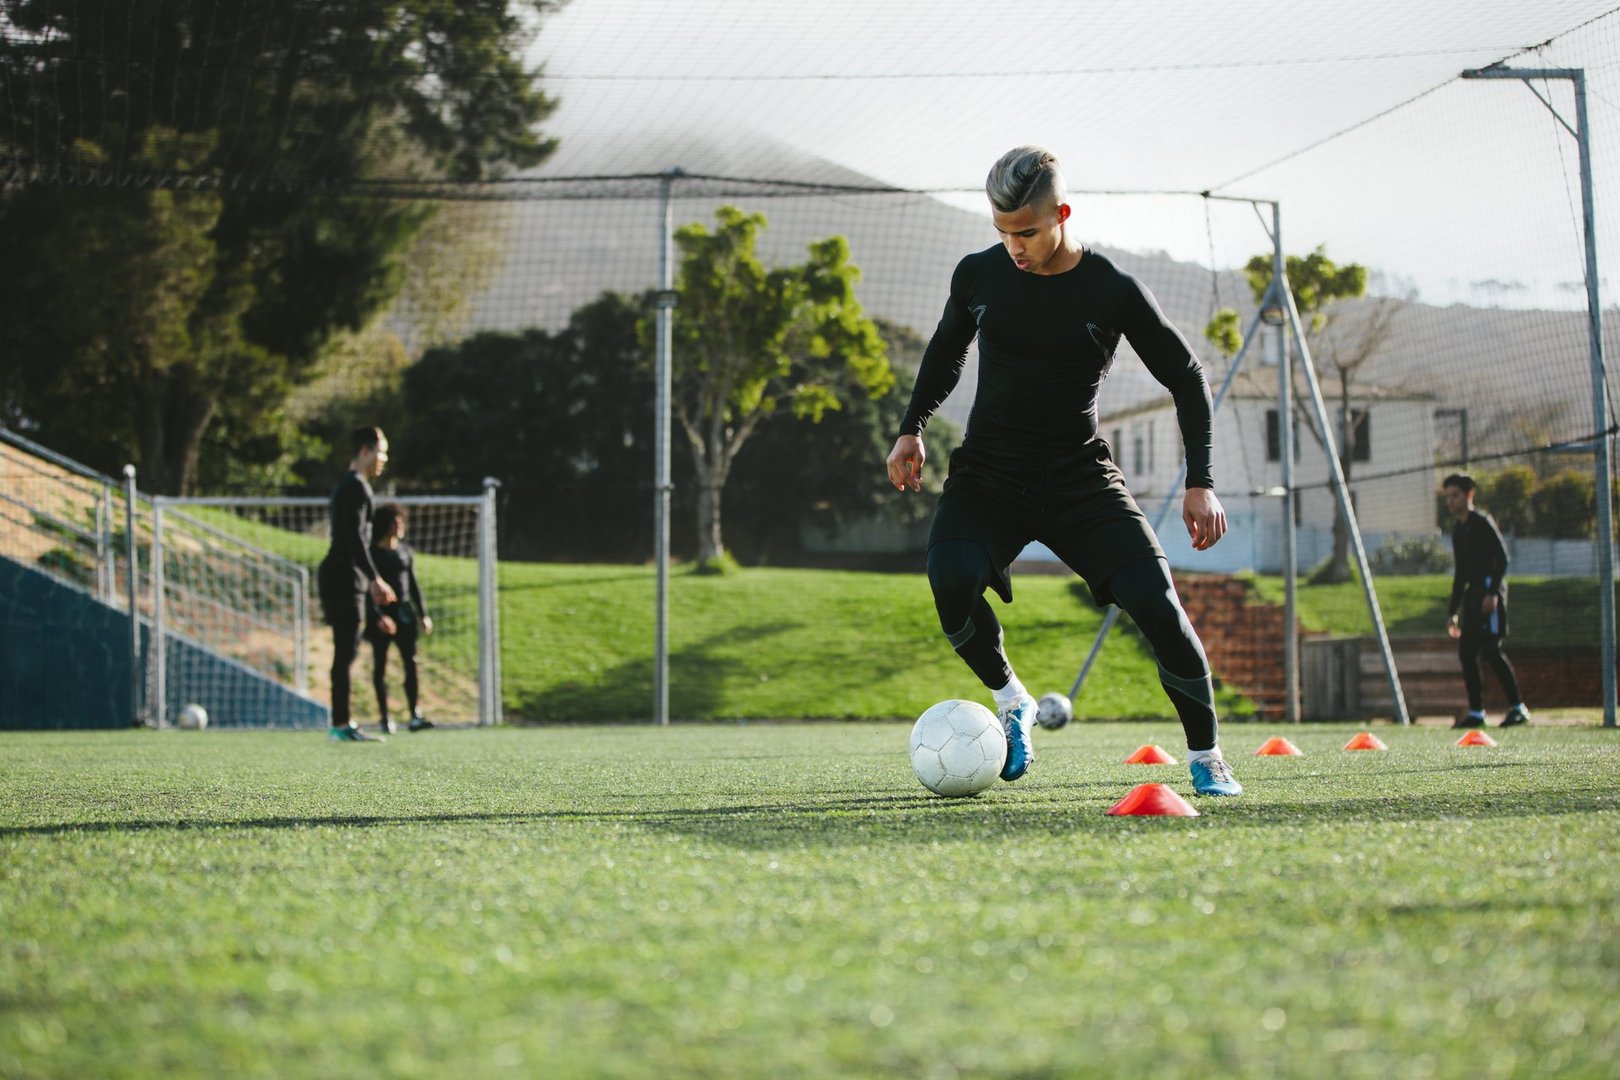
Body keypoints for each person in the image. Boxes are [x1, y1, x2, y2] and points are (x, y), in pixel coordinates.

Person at [885, 145, 1241, 796]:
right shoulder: (979, 276)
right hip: (989, 472)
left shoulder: (1110, 290)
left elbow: (1187, 376)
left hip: (1080, 477)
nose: (1014, 246)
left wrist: (1201, 480)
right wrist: (911, 428)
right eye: (1002, 231)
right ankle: (1011, 699)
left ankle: (1207, 757)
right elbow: (945, 351)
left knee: (1160, 607)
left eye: (1026, 231)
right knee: (949, 578)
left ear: (1061, 215)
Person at [317, 426, 396, 742]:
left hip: (343, 573)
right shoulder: (357, 487)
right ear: (366, 451)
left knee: (346, 650)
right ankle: (341, 724)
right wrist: (376, 578)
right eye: (381, 452)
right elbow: (354, 539)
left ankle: (341, 723)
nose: (384, 459)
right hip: (342, 574)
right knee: (345, 651)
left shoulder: (348, 486)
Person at [1443, 473, 1531, 728]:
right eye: (1448, 496)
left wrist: (1492, 593)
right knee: (1467, 653)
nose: (1450, 501)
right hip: (1472, 597)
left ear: (1469, 495)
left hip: (1489, 594)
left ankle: (1518, 708)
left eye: (1455, 495)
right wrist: (1453, 611)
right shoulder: (1458, 531)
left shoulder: (1482, 522)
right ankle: (1476, 713)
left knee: (1492, 650)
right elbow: (1460, 573)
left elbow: (1502, 558)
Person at [365, 502, 436, 734]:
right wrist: (377, 616)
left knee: (411, 662)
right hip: (382, 615)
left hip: (404, 613)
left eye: (401, 520)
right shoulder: (371, 554)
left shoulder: (405, 552)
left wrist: (423, 614)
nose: (399, 525)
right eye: (395, 521)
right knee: (380, 667)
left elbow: (413, 585)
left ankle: (415, 714)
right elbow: (366, 589)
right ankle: (385, 717)